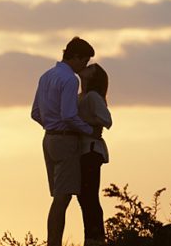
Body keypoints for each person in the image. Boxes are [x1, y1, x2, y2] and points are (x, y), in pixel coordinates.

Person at [31, 37, 94, 246]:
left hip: (48, 139)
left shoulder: (46, 76)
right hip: (65, 141)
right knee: (62, 197)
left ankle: (53, 242)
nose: (84, 66)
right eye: (84, 61)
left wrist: (51, 126)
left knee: (59, 196)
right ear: (75, 57)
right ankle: (54, 243)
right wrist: (89, 131)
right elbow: (69, 115)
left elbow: (35, 113)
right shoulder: (70, 80)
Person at [77, 63, 112, 246]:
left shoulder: (92, 97)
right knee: (84, 196)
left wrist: (85, 123)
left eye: (91, 69)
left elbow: (107, 120)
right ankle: (91, 237)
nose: (86, 68)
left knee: (89, 195)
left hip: (91, 150)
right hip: (83, 151)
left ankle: (96, 238)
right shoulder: (81, 96)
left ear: (94, 77)